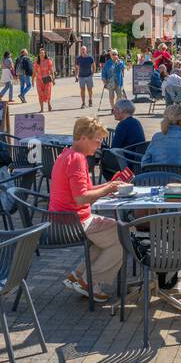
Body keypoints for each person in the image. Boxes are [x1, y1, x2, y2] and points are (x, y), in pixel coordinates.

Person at [53, 117, 127, 303]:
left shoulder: (66, 155)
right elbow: (81, 198)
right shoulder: (77, 160)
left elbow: (83, 191)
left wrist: (108, 185)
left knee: (112, 237)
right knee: (126, 236)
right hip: (74, 221)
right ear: (84, 137)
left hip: (62, 219)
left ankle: (77, 275)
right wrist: (108, 189)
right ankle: (89, 281)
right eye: (97, 139)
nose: (100, 144)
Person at [101, 49, 126, 114]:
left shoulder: (120, 62)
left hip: (118, 81)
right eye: (113, 54)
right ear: (110, 55)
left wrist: (119, 63)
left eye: (116, 54)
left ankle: (115, 107)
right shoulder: (108, 63)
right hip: (110, 81)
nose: (115, 55)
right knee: (111, 96)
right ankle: (113, 108)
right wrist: (104, 80)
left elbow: (123, 67)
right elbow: (103, 72)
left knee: (119, 95)